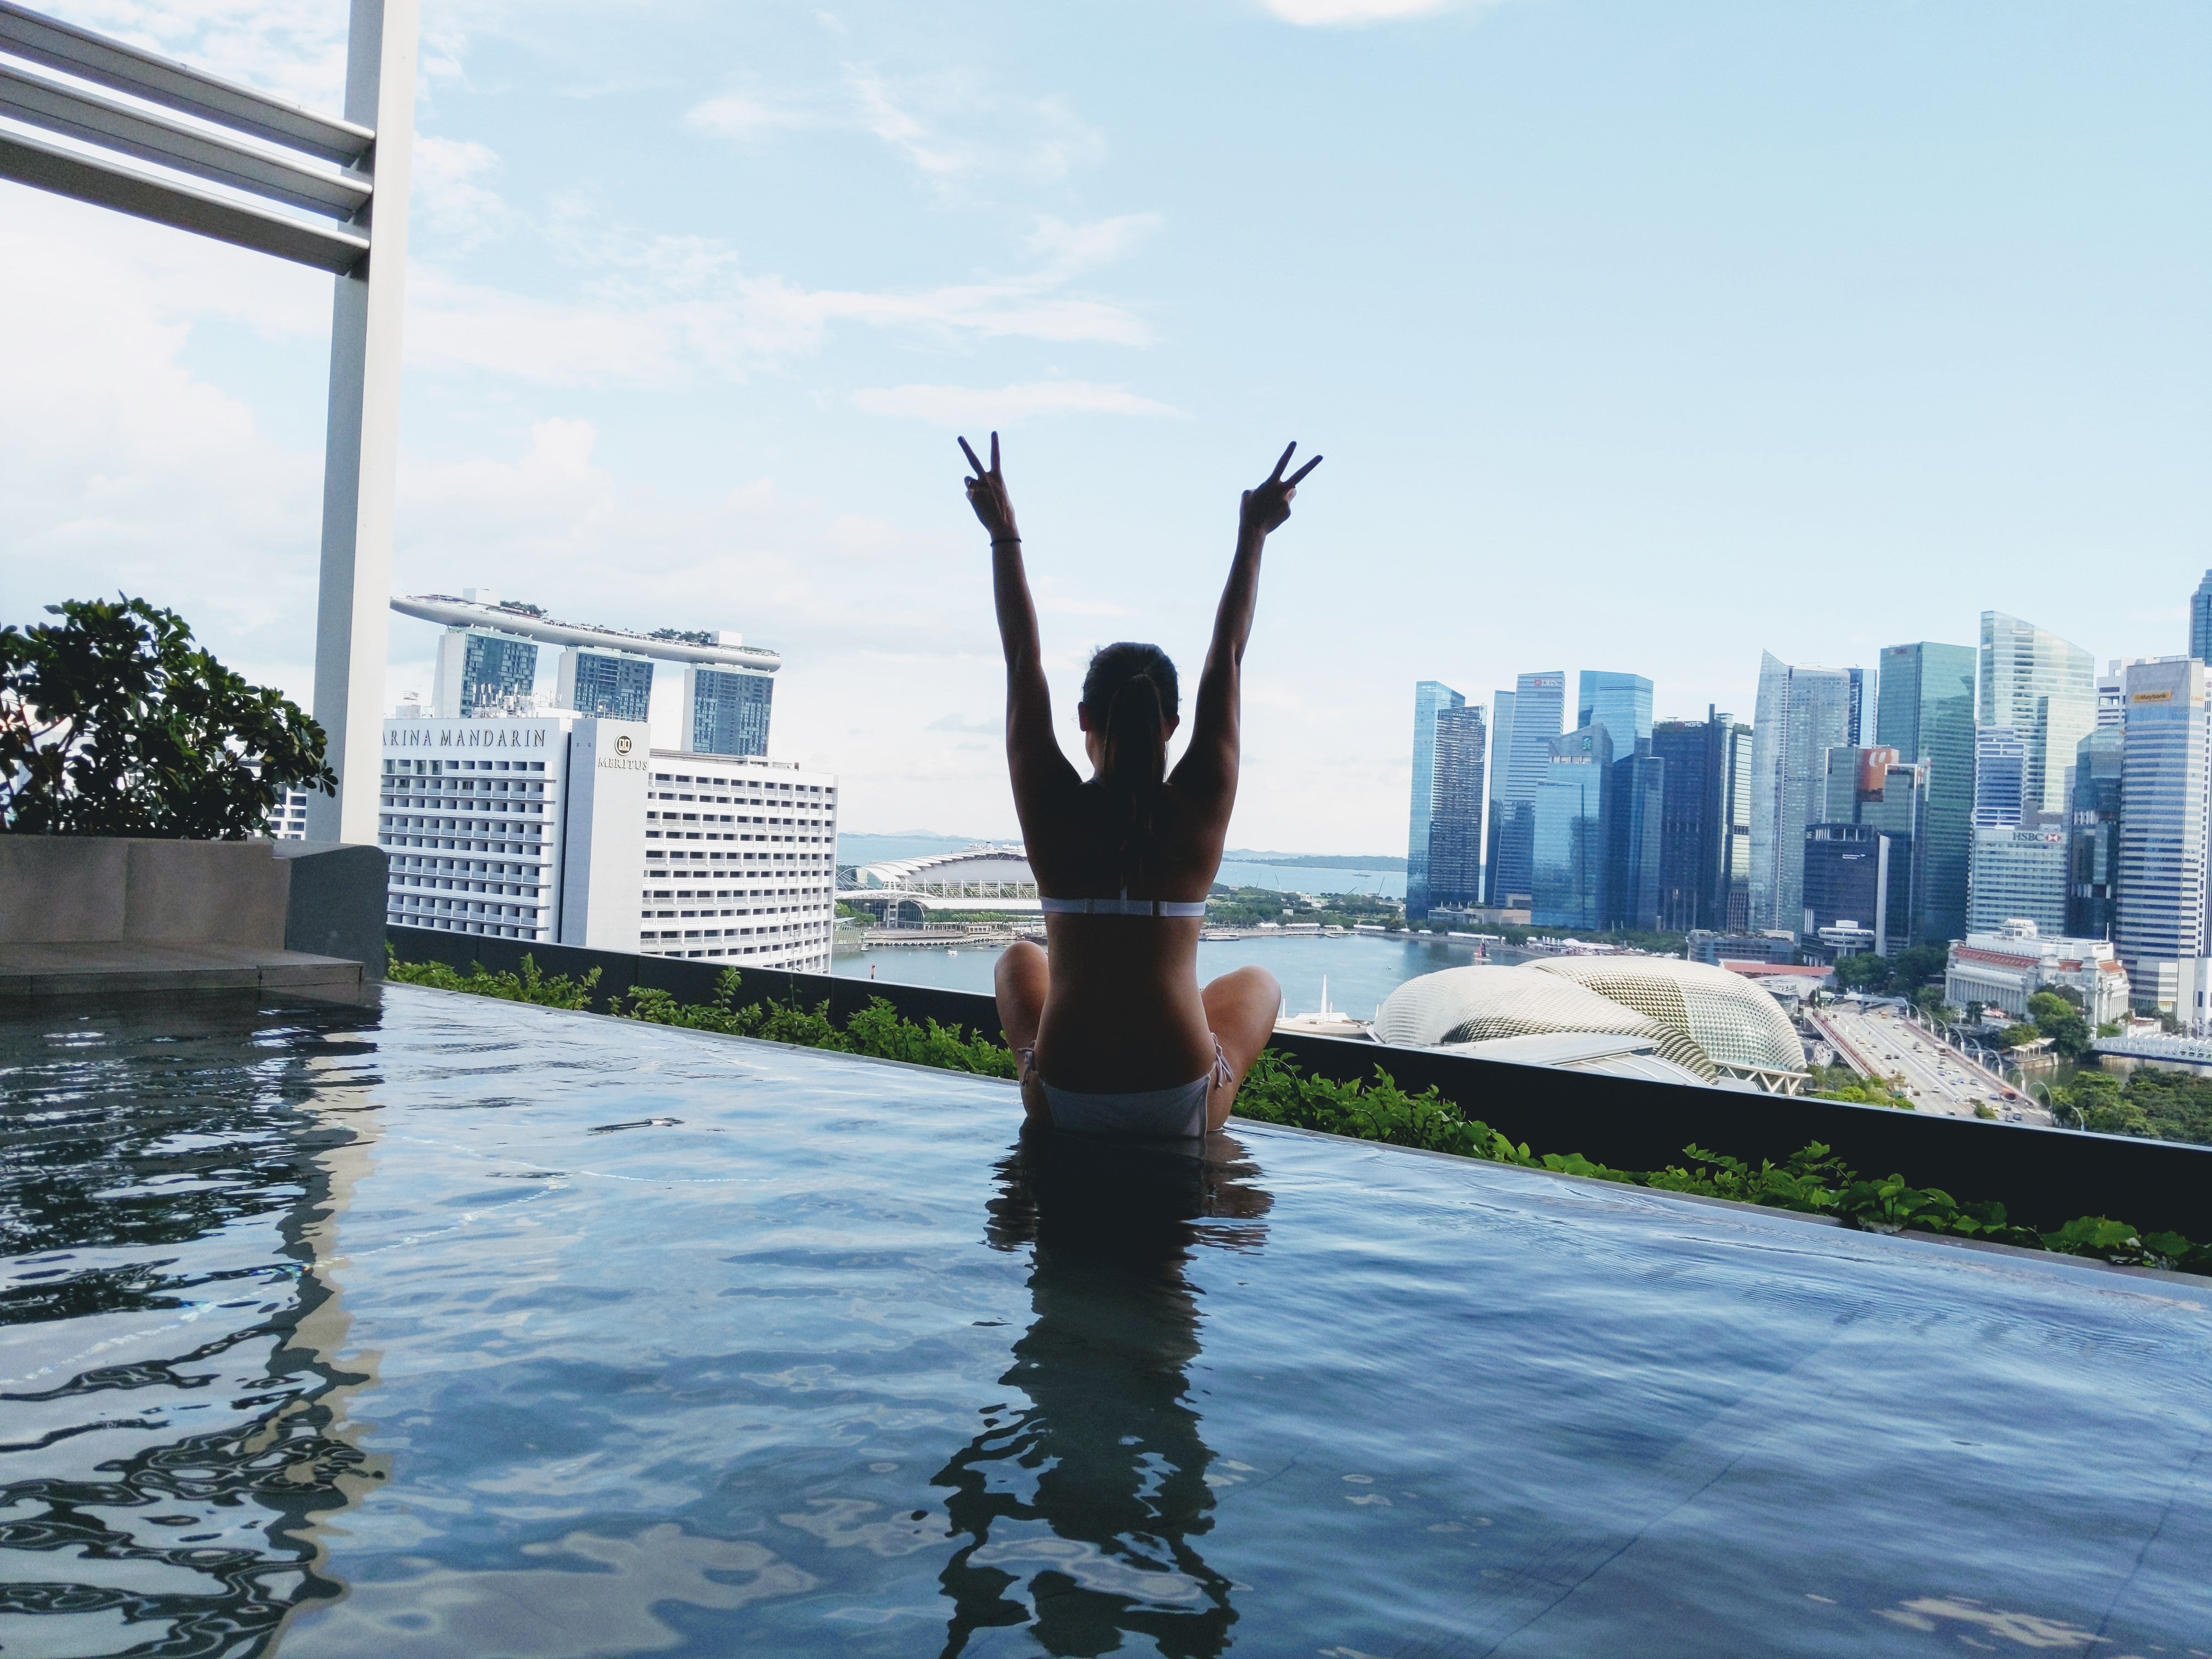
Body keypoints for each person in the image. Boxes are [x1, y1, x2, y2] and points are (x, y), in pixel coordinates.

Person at [960, 431, 1322, 1136]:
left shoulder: (1052, 811)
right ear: (1173, 724)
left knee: (1017, 960)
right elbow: (1229, 654)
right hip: (1179, 1100)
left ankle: (1034, 1073)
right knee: (1259, 984)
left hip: (1065, 1092)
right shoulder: (1199, 807)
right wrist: (1254, 534)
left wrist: (1005, 536)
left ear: (1085, 717)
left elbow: (1021, 658)